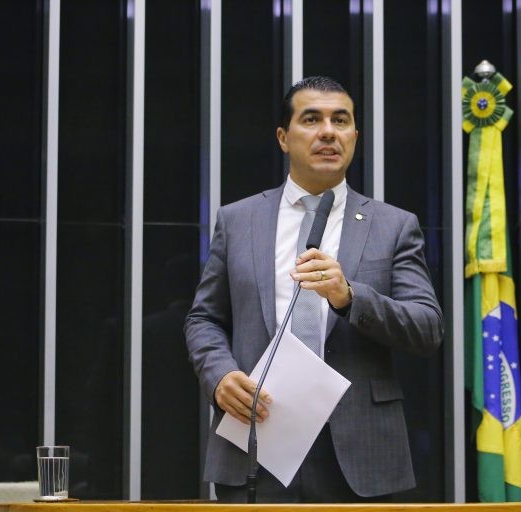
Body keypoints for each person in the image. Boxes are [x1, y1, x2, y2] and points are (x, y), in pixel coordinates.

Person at [184, 76, 444, 502]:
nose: (328, 131)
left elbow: (427, 328)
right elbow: (204, 318)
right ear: (284, 138)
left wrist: (350, 297)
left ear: (355, 137)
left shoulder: (394, 226)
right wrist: (219, 376)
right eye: (312, 119)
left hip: (361, 452)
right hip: (257, 441)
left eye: (340, 120)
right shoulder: (238, 220)